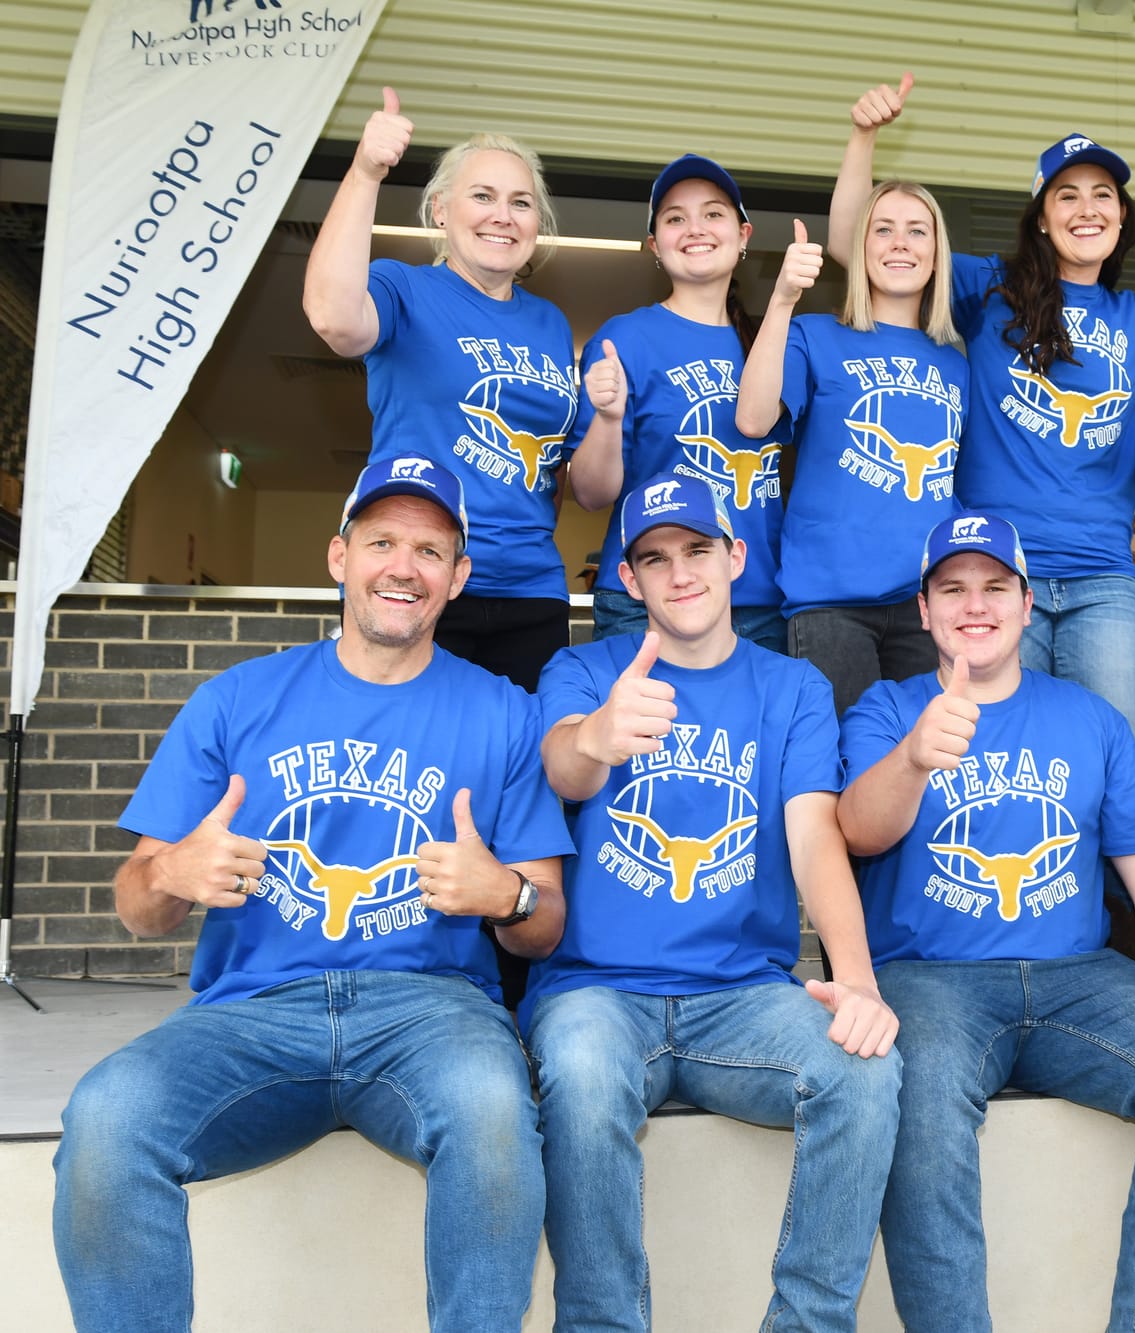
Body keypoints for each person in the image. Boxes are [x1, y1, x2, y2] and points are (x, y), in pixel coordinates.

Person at [53, 457, 571, 1333]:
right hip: (253, 1012)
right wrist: (172, 874)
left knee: (492, 1116)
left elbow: (545, 923)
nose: (403, 567)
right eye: (381, 542)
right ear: (339, 557)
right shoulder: (235, 700)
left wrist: (504, 894)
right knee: (106, 1117)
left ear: (458, 577)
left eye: (429, 550)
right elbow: (136, 903)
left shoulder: (505, 714)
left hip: (430, 1013)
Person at [836, 510, 1135, 1330]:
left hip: (1077, 978)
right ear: (923, 609)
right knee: (917, 1084)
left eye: (996, 587)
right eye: (953, 589)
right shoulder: (888, 709)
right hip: (933, 980)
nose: (975, 605)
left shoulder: (1091, 718)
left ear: (1028, 605)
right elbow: (855, 830)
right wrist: (913, 757)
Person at [524, 474, 901, 1331]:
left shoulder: (794, 688)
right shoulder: (584, 669)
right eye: (655, 558)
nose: (680, 572)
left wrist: (857, 981)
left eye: (697, 549)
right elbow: (561, 767)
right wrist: (598, 733)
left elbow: (814, 838)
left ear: (735, 557)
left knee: (866, 1069)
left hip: (742, 995)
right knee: (581, 1072)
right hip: (596, 991)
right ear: (629, 579)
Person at [827, 77, 1135, 760]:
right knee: (1000, 758)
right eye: (1066, 195)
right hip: (998, 573)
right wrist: (863, 138)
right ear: (1041, 217)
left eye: (1103, 195)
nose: (1086, 208)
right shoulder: (990, 287)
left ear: (1122, 218)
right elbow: (852, 246)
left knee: (1120, 758)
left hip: (1102, 579)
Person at [303, 88, 579, 691]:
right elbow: (333, 318)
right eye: (482, 196)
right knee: (407, 743)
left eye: (521, 202)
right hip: (418, 580)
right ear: (439, 210)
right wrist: (366, 172)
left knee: (523, 748)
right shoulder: (403, 288)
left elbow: (551, 464)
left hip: (530, 588)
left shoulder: (552, 324)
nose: (502, 215)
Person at [735, 179, 969, 712]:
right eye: (883, 230)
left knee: (928, 757)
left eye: (917, 231)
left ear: (937, 254)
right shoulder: (814, 335)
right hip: (830, 605)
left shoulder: (956, 364)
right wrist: (782, 300)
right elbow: (751, 419)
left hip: (925, 604)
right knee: (843, 758)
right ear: (859, 248)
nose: (900, 242)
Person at [569, 154, 787, 649]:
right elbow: (590, 494)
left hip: (757, 603)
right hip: (645, 600)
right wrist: (608, 419)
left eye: (713, 213)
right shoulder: (624, 339)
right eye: (674, 218)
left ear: (744, 235)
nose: (695, 228)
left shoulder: (776, 343)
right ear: (655, 245)